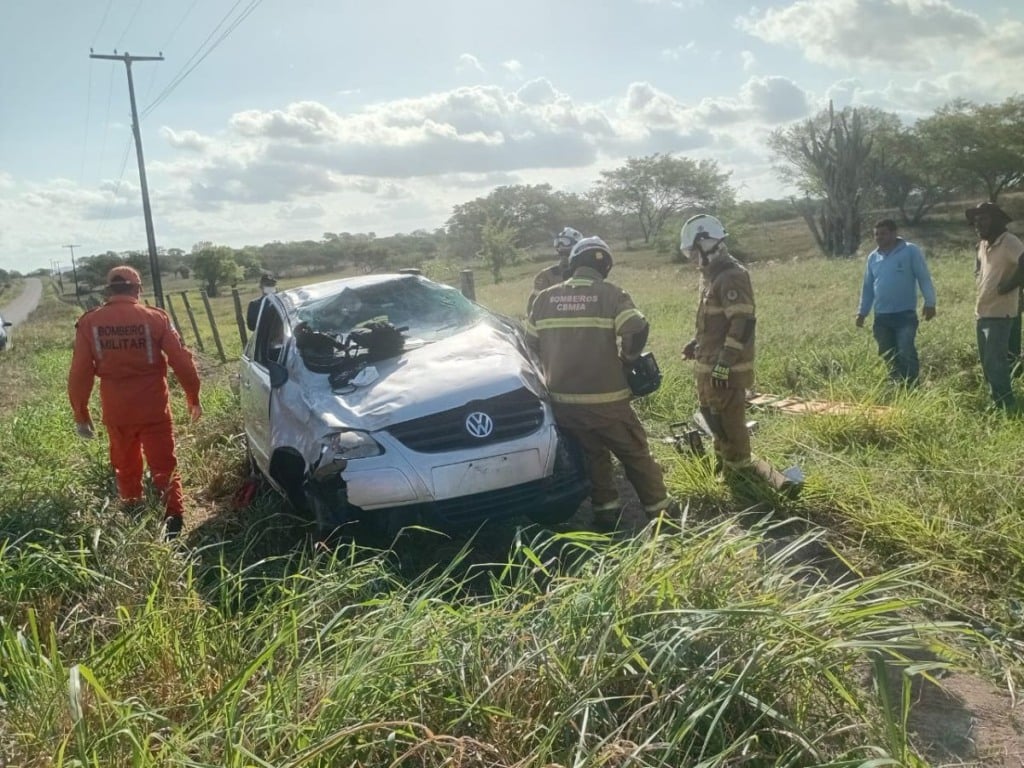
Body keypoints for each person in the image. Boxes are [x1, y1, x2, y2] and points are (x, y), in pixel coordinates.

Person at [526, 236, 673, 528]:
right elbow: (636, 327)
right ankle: (662, 514)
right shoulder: (611, 294)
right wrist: (629, 358)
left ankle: (606, 512)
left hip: (564, 405)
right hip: (608, 403)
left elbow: (531, 344)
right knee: (635, 455)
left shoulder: (543, 299)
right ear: (605, 265)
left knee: (593, 456)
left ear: (573, 263)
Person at [68, 266, 203, 540]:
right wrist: (193, 397)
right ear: (138, 289)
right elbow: (182, 361)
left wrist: (81, 414)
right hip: (154, 409)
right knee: (164, 466)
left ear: (109, 291)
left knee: (125, 465)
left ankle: (133, 513)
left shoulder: (90, 323)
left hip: (118, 412)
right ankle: (174, 521)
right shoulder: (155, 318)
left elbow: (80, 373)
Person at [679, 213, 797, 496]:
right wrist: (696, 343)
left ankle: (743, 477)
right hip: (708, 367)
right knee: (714, 420)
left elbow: (742, 324)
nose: (694, 258)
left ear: (707, 244)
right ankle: (726, 469)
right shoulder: (712, 277)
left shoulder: (732, 276)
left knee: (730, 423)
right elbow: (715, 322)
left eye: (695, 251)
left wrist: (724, 365)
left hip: (725, 370)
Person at [855, 219, 937, 386]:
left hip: (904, 314)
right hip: (881, 316)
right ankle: (896, 385)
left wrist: (930, 302)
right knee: (887, 353)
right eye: (876, 234)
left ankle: (913, 387)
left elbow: (923, 277)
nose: (879, 237)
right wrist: (862, 312)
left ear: (894, 233)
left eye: (883, 233)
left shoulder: (910, 251)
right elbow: (868, 287)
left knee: (905, 350)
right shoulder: (873, 257)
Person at [967, 201, 1024, 410]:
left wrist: (1008, 286)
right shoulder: (983, 245)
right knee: (987, 363)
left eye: (984, 219)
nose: (978, 223)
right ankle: (996, 401)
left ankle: (1006, 404)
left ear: (997, 220)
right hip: (982, 312)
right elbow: (980, 269)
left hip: (1002, 314)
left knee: (995, 362)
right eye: (976, 220)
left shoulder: (1009, 241)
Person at [527, 226, 582, 314]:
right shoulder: (546, 275)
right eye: (562, 253)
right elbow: (533, 304)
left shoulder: (586, 273)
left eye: (567, 253)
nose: (561, 246)